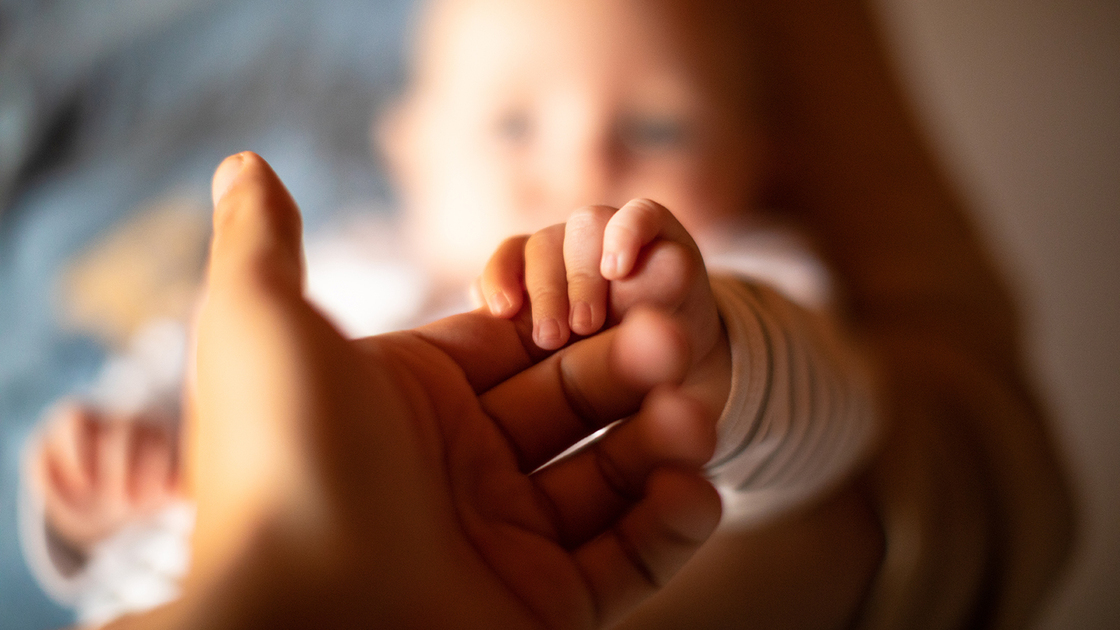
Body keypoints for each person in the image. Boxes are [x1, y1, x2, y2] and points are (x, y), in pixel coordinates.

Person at [99, 152, 723, 629]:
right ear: (408, 150)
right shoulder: (355, 249)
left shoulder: (708, 271)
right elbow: (188, 354)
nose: (585, 158)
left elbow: (816, 416)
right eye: (513, 124)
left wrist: (711, 344)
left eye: (657, 130)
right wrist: (102, 467)